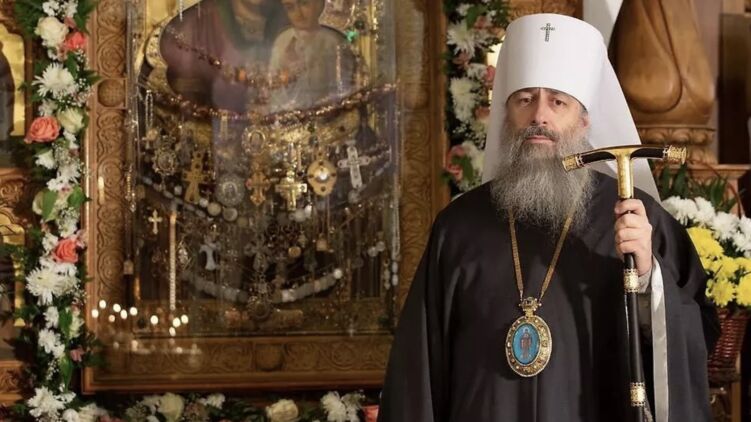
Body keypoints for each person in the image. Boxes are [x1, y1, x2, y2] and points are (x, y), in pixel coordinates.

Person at [378, 13, 719, 422]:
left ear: (584, 120)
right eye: (525, 99)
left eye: (558, 101)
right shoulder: (458, 228)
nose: (539, 116)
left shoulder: (632, 215)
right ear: (507, 114)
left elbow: (697, 337)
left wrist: (648, 277)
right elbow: (417, 373)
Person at [268, 0, 355, 111]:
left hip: (327, 115)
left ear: (318, 4)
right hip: (290, 116)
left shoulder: (333, 42)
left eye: (304, 4)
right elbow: (274, 91)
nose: (298, 14)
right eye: (290, 8)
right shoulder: (282, 41)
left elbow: (342, 89)